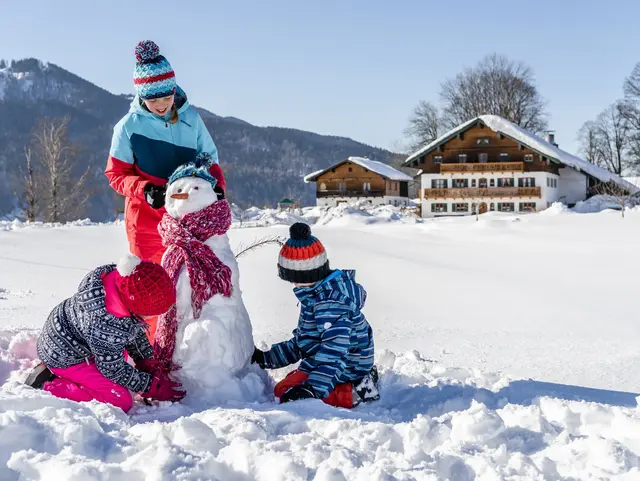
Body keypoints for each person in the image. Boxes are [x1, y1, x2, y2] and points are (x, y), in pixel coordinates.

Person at [105, 40, 226, 266]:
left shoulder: (192, 120)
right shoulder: (127, 127)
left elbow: (211, 162)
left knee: (188, 286)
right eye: (153, 100)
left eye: (166, 98)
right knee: (152, 288)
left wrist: (217, 188)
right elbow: (116, 174)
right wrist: (146, 189)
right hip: (146, 225)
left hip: (188, 219)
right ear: (142, 97)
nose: (161, 105)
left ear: (174, 90)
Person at [24, 255, 185, 413]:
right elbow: (113, 369)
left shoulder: (121, 285)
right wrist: (150, 387)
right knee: (120, 400)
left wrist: (146, 359)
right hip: (64, 356)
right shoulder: (103, 323)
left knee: (117, 355)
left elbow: (131, 328)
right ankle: (48, 384)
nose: (152, 318)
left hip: (71, 338)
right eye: (150, 314)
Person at [251, 223, 380, 408]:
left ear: (305, 275)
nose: (292, 283)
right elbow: (304, 342)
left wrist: (314, 389)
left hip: (350, 363)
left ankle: (356, 392)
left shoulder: (329, 303)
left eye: (293, 278)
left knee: (284, 392)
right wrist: (267, 358)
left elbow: (335, 351)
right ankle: (342, 384)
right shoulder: (315, 295)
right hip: (332, 358)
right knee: (290, 383)